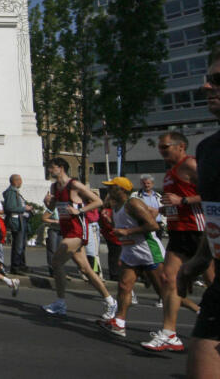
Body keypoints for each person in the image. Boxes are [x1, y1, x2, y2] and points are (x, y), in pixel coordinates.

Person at [144, 130, 209, 353]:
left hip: (198, 232)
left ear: (180, 146)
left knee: (213, 283)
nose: (161, 151)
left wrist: (183, 199)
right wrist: (159, 209)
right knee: (167, 278)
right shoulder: (170, 171)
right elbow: (176, 202)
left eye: (165, 147)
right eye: (160, 147)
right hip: (178, 231)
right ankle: (169, 333)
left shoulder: (190, 164)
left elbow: (213, 192)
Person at [182, 50, 220, 378]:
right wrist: (197, 261)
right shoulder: (207, 150)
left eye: (217, 81)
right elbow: (215, 215)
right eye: (208, 80)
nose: (207, 87)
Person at [41, 157, 117, 319]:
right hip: (66, 229)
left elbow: (98, 201)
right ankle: (110, 301)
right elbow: (54, 207)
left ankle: (60, 302)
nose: (49, 170)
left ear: (61, 168)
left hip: (77, 231)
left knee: (56, 261)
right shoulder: (54, 186)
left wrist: (80, 211)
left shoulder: (74, 185)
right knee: (86, 270)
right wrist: (49, 202)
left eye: (51, 167)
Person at [96, 176, 166, 338]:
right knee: (124, 286)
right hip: (131, 252)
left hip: (148, 251)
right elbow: (123, 227)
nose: (108, 190)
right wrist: (113, 225)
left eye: (112, 187)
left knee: (164, 292)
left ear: (121, 190)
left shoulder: (133, 203)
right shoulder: (115, 207)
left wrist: (127, 232)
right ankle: (119, 323)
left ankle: (188, 317)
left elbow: (153, 225)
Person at [2, 174, 31, 274]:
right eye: (19, 180)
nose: (21, 182)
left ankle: (21, 264)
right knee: (18, 245)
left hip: (22, 220)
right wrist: (24, 208)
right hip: (17, 221)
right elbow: (10, 207)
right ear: (14, 181)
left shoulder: (16, 192)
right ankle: (15, 267)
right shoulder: (11, 192)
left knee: (22, 245)